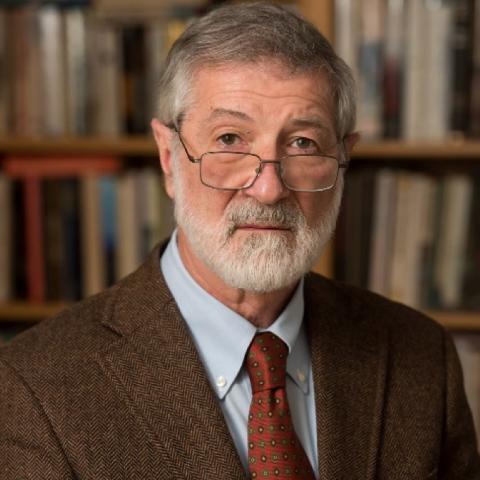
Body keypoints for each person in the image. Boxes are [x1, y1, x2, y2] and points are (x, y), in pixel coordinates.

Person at [1, 3, 479, 479]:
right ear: (169, 157)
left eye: (302, 144)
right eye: (230, 139)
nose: (269, 189)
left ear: (343, 160)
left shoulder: (420, 358)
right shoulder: (34, 386)